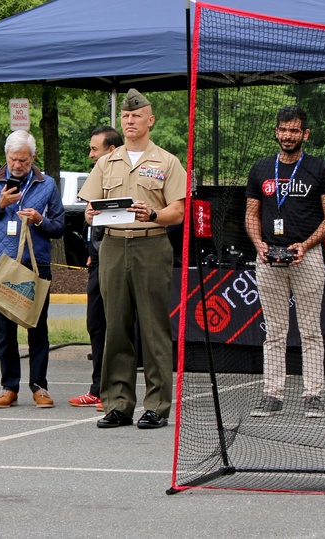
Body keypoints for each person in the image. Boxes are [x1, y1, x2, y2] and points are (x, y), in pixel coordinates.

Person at [79, 89, 187, 430]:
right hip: (112, 246)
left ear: (150, 121)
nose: (130, 121)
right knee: (115, 327)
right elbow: (89, 209)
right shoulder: (106, 162)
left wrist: (152, 214)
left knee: (153, 328)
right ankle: (118, 403)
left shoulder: (167, 161)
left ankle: (156, 405)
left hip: (150, 244)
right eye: (125, 116)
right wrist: (90, 213)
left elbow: (178, 212)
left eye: (137, 116)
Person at [245, 105, 325, 419]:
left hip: (307, 257)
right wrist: (258, 244)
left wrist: (307, 244)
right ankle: (272, 395)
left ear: (305, 134)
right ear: (276, 131)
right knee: (274, 332)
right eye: (283, 130)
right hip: (269, 257)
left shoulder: (320, 169)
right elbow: (251, 213)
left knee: (310, 330)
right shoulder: (260, 169)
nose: (288, 136)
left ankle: (313, 395)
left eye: (294, 130)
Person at [0, 130, 65, 409]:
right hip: (0, 264)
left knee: (37, 328)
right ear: (6, 157)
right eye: (13, 159)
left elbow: (59, 227)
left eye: (23, 160)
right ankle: (8, 387)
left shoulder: (47, 184)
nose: (17, 165)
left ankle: (40, 387)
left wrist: (39, 220)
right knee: (4, 330)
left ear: (33, 157)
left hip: (36, 264)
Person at [69, 125, 122, 411]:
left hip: (121, 259)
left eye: (94, 149)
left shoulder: (125, 176)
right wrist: (89, 219)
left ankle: (115, 390)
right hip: (99, 260)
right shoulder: (96, 177)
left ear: (111, 150)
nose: (90, 154)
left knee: (117, 325)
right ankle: (98, 388)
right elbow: (94, 222)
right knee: (96, 324)